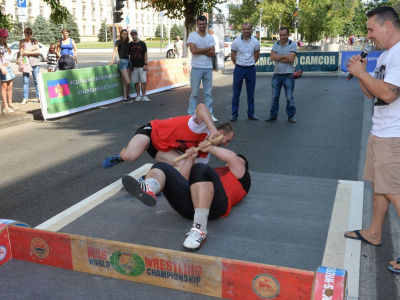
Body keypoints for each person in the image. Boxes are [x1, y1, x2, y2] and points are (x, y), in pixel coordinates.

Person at [343, 6, 400, 274]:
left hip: (394, 136)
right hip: (381, 131)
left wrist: (362, 73)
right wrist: (361, 73)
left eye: (370, 29)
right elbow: (372, 95)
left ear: (387, 26)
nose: (368, 35)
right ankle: (375, 233)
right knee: (380, 187)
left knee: (395, 192)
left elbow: (390, 94)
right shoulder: (387, 54)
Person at [121, 143, 251, 251]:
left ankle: (199, 230)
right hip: (190, 206)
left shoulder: (243, 178)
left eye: (240, 161)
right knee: (162, 166)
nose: (231, 161)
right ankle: (150, 187)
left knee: (200, 169)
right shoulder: (213, 172)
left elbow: (233, 157)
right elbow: (181, 180)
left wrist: (209, 147)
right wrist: (190, 158)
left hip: (216, 207)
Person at [102, 103, 234, 169]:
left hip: (162, 148)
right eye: (227, 141)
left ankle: (152, 180)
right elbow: (200, 106)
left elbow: (193, 171)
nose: (227, 145)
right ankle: (120, 156)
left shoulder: (207, 151)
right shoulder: (202, 126)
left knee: (184, 165)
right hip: (152, 132)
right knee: (129, 156)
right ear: (221, 133)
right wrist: (212, 130)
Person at [187, 16, 218, 122]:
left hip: (208, 68)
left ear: (206, 24)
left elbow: (213, 53)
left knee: (208, 93)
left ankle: (209, 114)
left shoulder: (210, 37)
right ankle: (191, 115)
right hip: (196, 68)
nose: (202, 26)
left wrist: (200, 50)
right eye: (200, 24)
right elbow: (193, 51)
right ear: (197, 24)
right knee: (194, 93)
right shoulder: (192, 35)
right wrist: (207, 49)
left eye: (204, 24)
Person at [265, 26, 297, 123]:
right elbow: (272, 57)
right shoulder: (275, 45)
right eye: (281, 35)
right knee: (274, 97)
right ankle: (273, 116)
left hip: (288, 75)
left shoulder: (293, 45)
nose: (282, 37)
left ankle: (291, 116)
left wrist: (278, 57)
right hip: (277, 74)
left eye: (284, 35)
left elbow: (291, 59)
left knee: (289, 98)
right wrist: (285, 56)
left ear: (288, 35)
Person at [230, 22, 260, 121]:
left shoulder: (255, 42)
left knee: (250, 93)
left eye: (248, 29)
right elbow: (233, 56)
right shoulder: (236, 41)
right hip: (239, 68)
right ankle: (234, 114)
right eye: (244, 29)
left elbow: (256, 55)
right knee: (236, 93)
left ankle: (251, 113)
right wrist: (239, 64)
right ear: (241, 30)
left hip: (251, 69)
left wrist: (250, 63)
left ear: (251, 29)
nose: (246, 31)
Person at [19, 27, 40, 105]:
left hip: (35, 62)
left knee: (37, 80)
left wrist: (27, 52)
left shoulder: (34, 41)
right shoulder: (21, 41)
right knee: (25, 81)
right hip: (26, 63)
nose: (29, 34)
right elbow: (21, 52)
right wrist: (32, 49)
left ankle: (38, 97)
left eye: (30, 33)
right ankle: (25, 98)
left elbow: (38, 51)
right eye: (27, 32)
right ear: (24, 33)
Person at [110, 29, 131, 102]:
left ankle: (126, 96)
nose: (125, 35)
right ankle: (127, 95)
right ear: (121, 35)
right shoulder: (118, 42)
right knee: (128, 81)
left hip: (128, 61)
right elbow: (114, 52)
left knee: (126, 82)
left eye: (126, 34)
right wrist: (112, 61)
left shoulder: (128, 43)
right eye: (123, 34)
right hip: (122, 62)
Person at [129, 29, 149, 102]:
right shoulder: (130, 44)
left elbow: (145, 54)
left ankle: (144, 96)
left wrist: (145, 63)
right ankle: (138, 95)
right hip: (134, 66)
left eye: (135, 35)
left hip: (142, 65)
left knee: (143, 81)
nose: (134, 36)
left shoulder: (142, 43)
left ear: (137, 35)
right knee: (136, 82)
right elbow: (127, 54)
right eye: (132, 35)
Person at [0, 29, 17, 113]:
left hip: (9, 67)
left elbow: (6, 57)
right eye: (3, 37)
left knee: (10, 86)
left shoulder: (5, 45)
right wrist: (2, 68)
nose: (4, 38)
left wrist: (11, 67)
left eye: (5, 37)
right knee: (4, 87)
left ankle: (10, 103)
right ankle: (5, 106)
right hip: (3, 69)